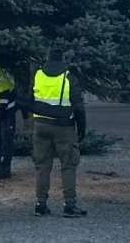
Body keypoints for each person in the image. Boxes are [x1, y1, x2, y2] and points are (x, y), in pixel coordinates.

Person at [31, 47, 87, 218]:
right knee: (68, 165)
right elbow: (78, 106)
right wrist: (82, 129)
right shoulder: (69, 78)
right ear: (63, 59)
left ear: (47, 58)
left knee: (42, 166)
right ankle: (69, 205)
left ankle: (40, 205)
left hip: (40, 125)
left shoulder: (37, 75)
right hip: (64, 127)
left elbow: (30, 98)